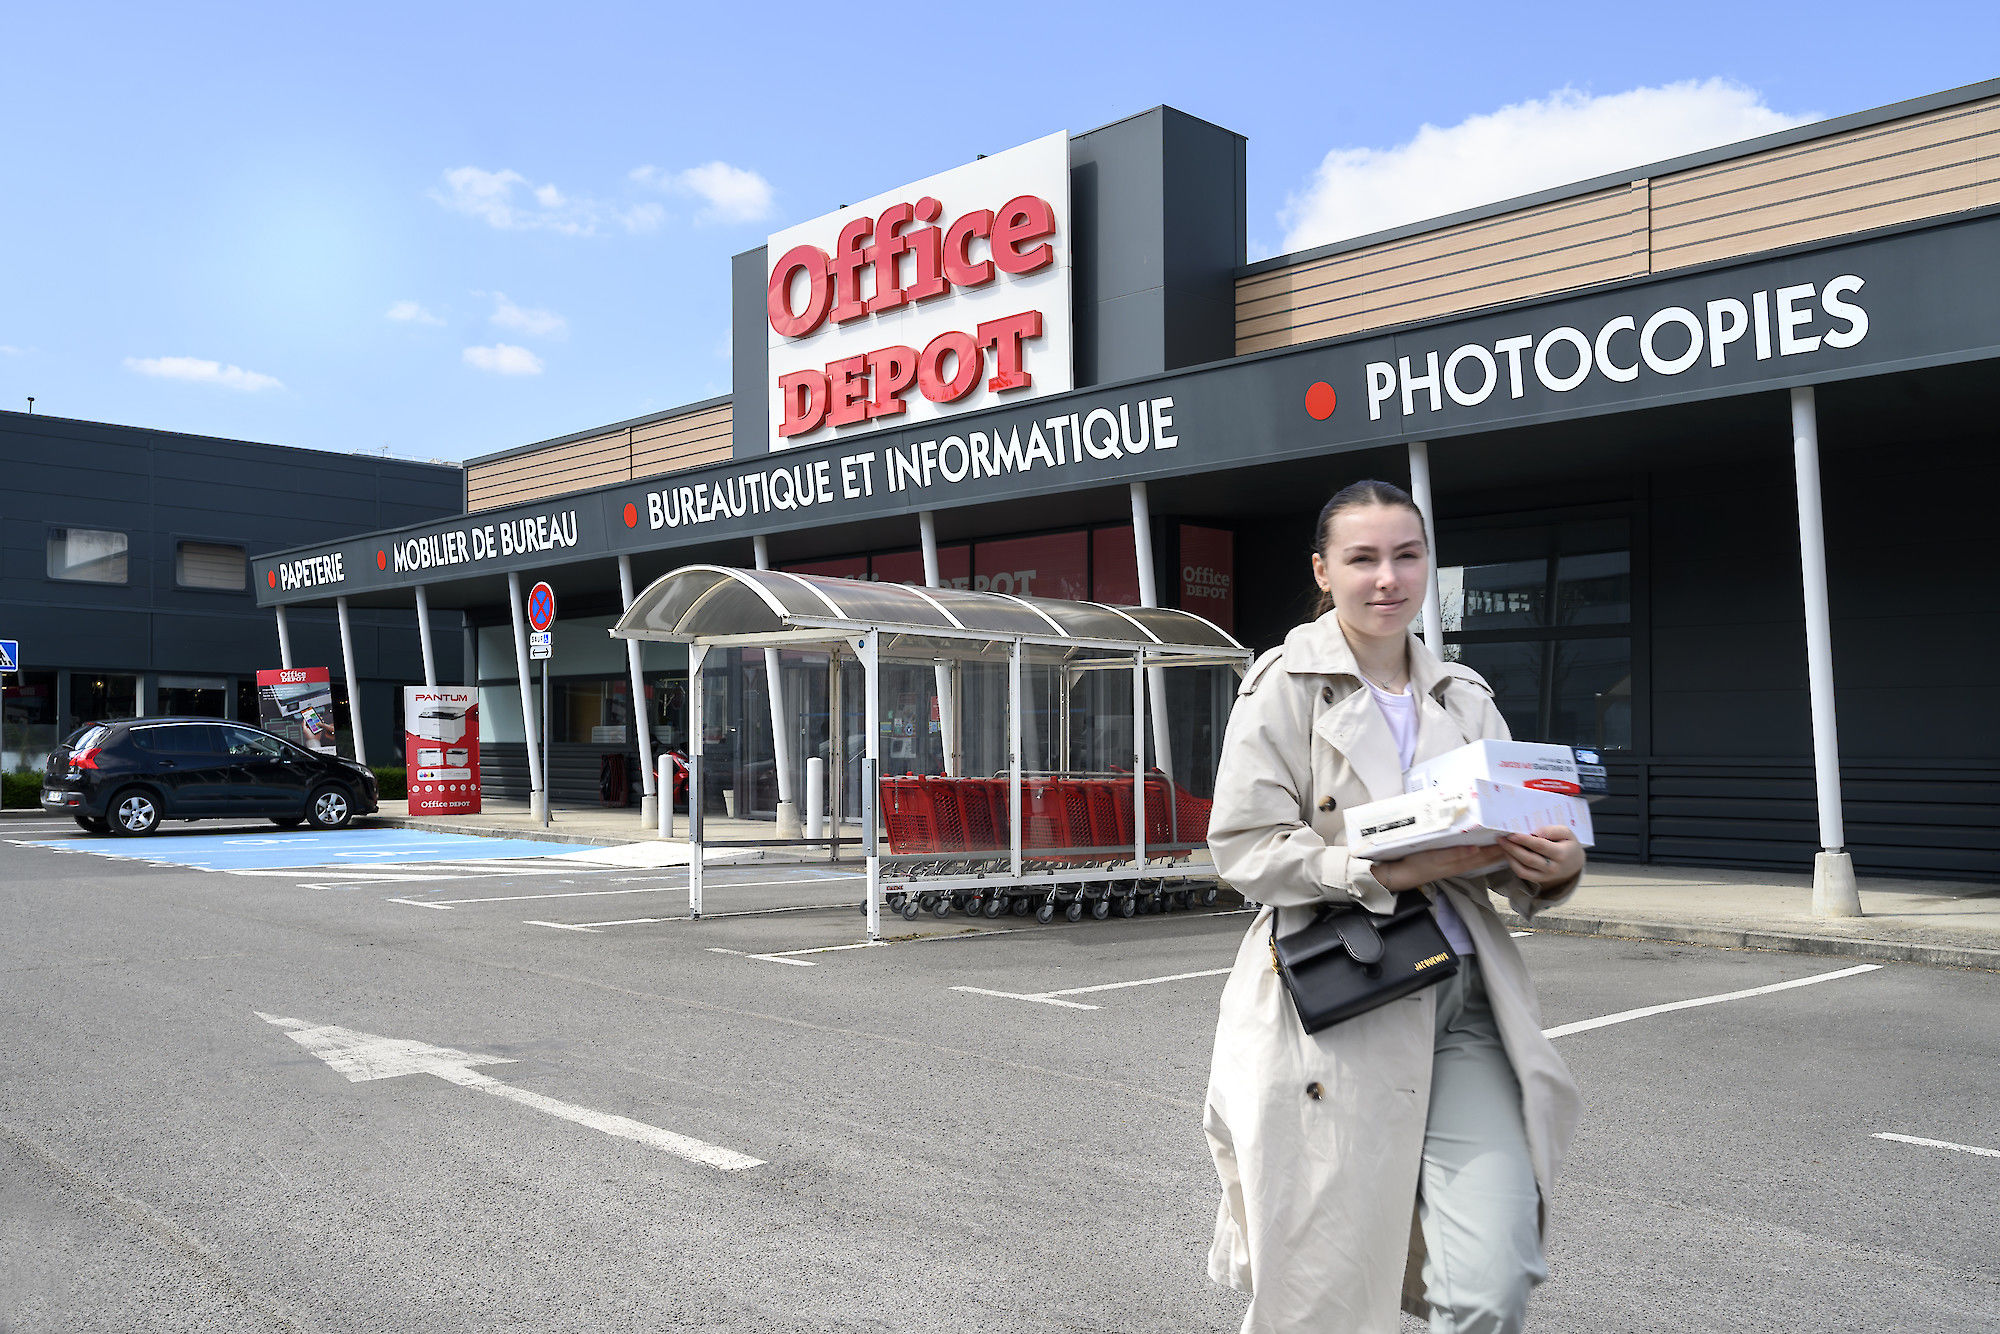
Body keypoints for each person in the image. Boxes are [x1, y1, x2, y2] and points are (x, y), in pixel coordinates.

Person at [1202, 480, 1585, 1334]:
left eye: (1406, 556)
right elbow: (1244, 848)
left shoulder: (1462, 694)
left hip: (1464, 999)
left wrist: (1551, 865)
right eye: (1363, 558)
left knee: (1491, 1282)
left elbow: (1512, 833)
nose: (1387, 578)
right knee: (1326, 1289)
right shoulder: (1285, 685)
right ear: (1323, 571)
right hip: (1341, 997)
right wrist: (1387, 870)